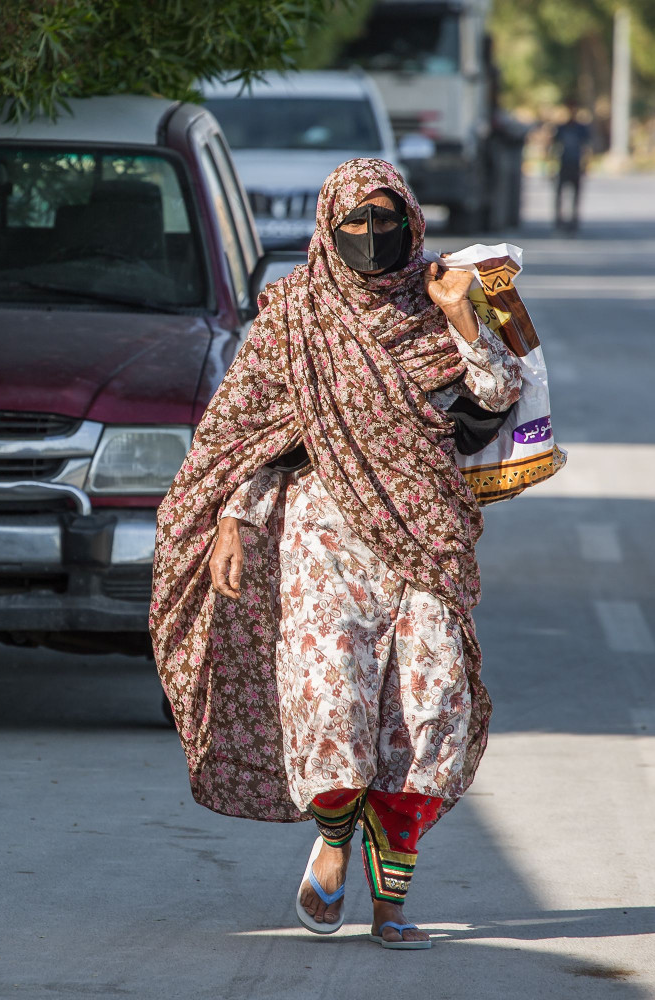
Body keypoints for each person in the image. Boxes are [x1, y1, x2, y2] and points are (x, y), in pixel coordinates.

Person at [150, 158, 519, 949]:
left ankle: (393, 907)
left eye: (388, 220)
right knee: (333, 705)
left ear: (413, 223)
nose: (372, 237)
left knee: (429, 715)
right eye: (355, 223)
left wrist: (461, 314)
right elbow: (244, 439)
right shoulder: (293, 317)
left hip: (426, 540)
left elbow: (497, 392)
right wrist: (229, 524)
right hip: (322, 539)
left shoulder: (440, 302)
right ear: (328, 227)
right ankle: (331, 839)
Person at [551, 100, 592, 232]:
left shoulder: (581, 129)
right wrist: (551, 167)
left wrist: (585, 165)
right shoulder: (561, 128)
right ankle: (559, 220)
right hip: (563, 165)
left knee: (576, 195)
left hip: (576, 165)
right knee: (560, 195)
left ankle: (574, 221)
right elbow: (554, 147)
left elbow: (586, 148)